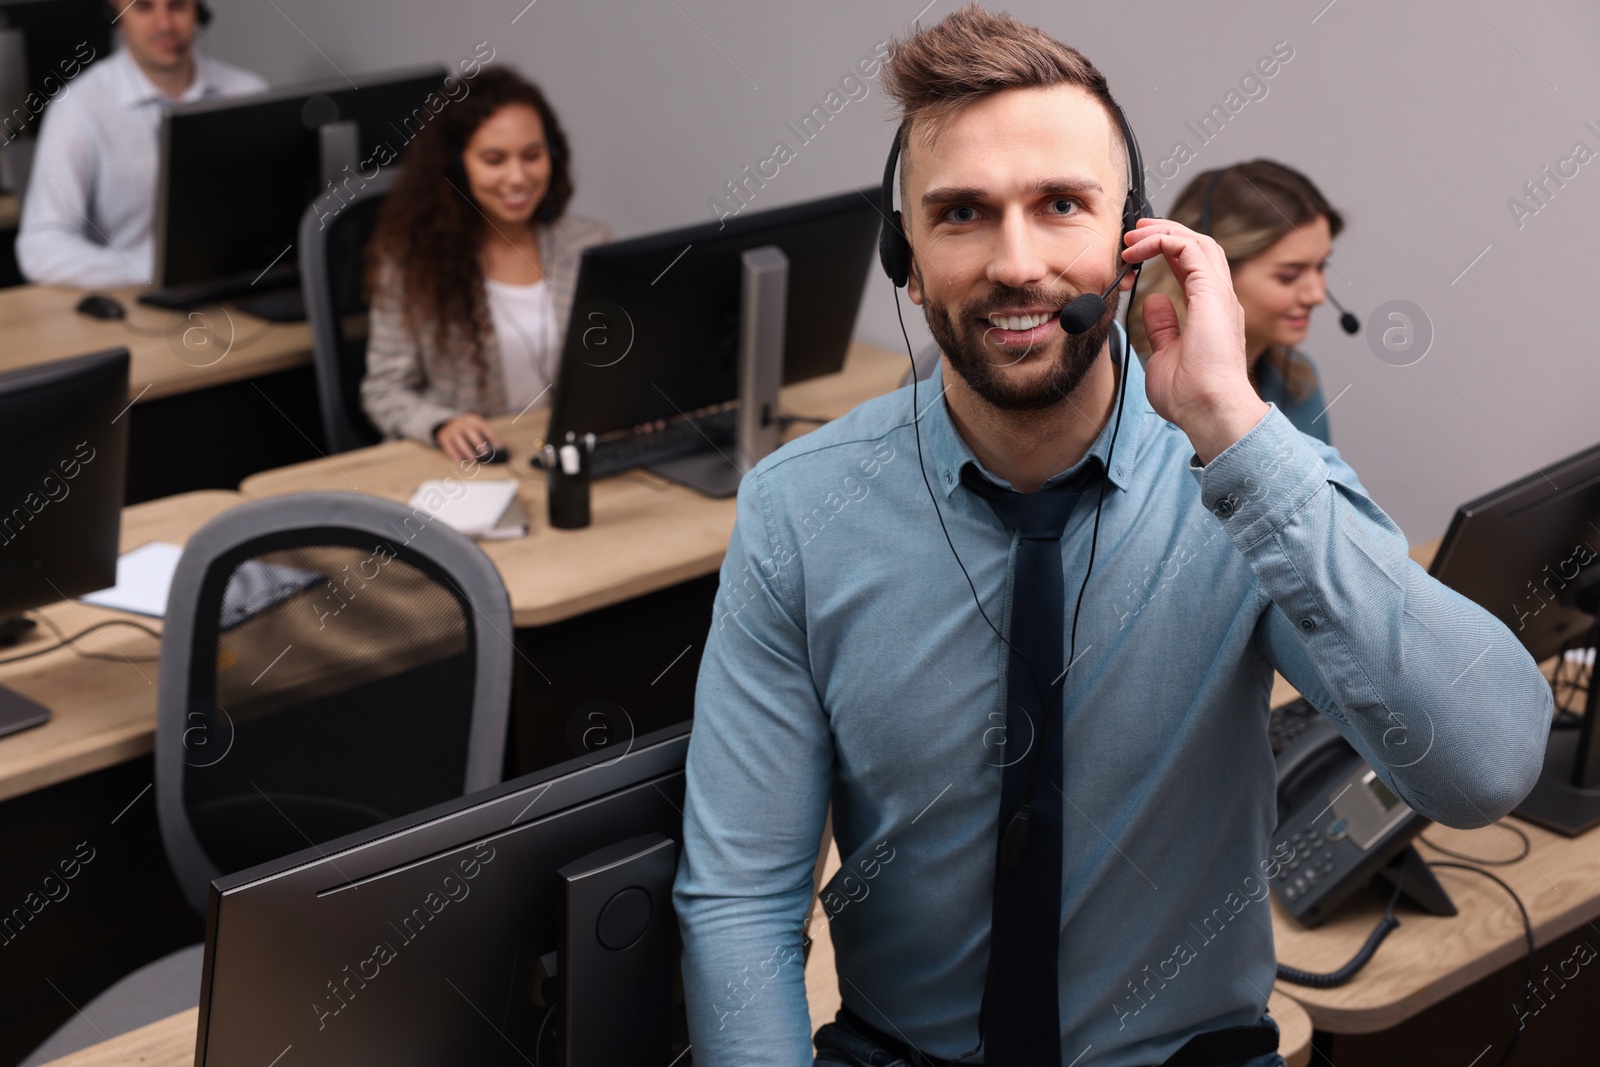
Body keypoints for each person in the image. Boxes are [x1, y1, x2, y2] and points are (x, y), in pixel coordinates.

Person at [672, 6, 1552, 1067]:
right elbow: (739, 902)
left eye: (1059, 205)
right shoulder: (796, 510)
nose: (1014, 261)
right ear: (904, 259)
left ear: (1131, 244)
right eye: (959, 213)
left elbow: (1485, 765)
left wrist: (1233, 429)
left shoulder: (1248, 484)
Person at [361, 67, 610, 462]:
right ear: (457, 166)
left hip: (561, 458)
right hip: (465, 468)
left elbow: (618, 364)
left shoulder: (590, 245)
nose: (517, 177)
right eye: (494, 160)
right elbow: (385, 391)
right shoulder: (413, 264)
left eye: (532, 155)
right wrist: (440, 423)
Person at [16, 0, 267, 287]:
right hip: (134, 301)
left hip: (244, 288)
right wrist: (156, 269)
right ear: (116, 14)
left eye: (178, 6)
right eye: (144, 7)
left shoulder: (250, 92)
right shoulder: (78, 109)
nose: (164, 25)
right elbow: (41, 248)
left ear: (199, 12)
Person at [1130, 161, 1344, 444]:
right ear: (1214, 268)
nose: (1317, 295)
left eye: (1321, 267)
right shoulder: (1128, 383)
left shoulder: (1298, 382)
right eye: (1288, 276)